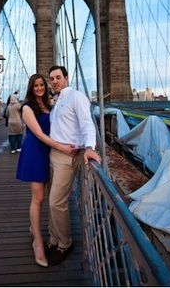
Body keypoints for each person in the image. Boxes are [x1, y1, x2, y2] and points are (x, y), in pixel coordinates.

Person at [16, 74, 77, 268]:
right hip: (36, 153)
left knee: (51, 196)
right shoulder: (26, 107)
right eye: (36, 86)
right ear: (31, 88)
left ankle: (41, 231)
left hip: (50, 153)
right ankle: (38, 242)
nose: (40, 88)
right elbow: (40, 134)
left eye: (43, 84)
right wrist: (62, 147)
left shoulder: (50, 105)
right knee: (39, 198)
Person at [45, 65, 101, 266]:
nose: (55, 81)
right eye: (52, 78)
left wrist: (89, 147)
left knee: (55, 202)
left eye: (58, 77)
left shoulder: (76, 97)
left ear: (66, 78)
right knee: (52, 200)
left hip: (70, 155)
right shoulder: (57, 101)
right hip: (55, 154)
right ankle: (54, 239)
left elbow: (87, 123)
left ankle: (64, 243)